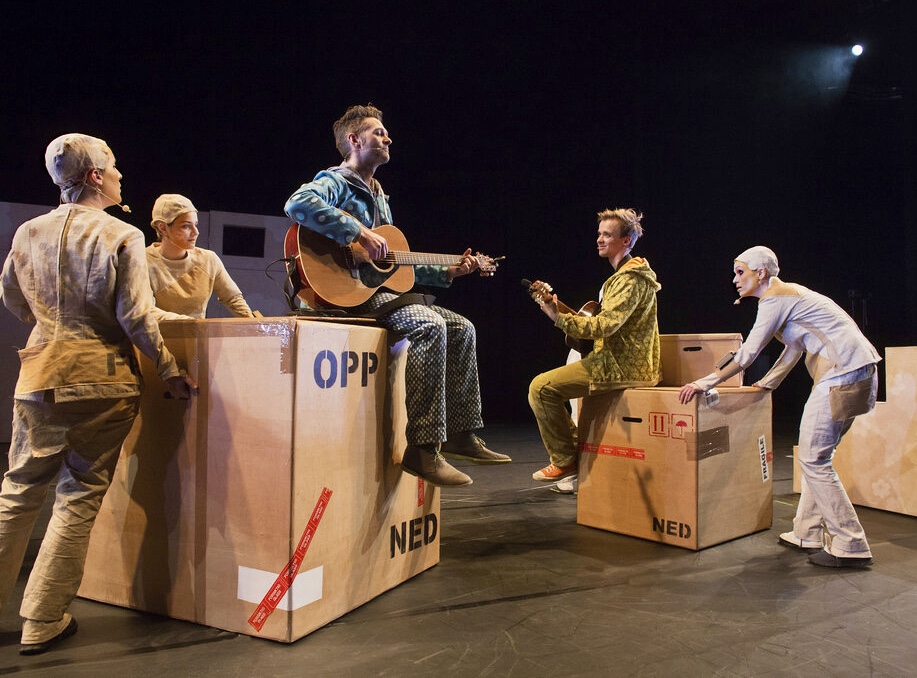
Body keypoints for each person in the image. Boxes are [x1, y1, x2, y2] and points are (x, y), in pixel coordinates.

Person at [0, 134, 198, 655]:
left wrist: (51, 325)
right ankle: (42, 620)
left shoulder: (27, 232)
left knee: (18, 494)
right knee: (78, 495)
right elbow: (136, 316)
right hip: (103, 379)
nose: (119, 176)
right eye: (112, 168)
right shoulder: (121, 234)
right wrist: (170, 369)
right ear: (94, 177)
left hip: (38, 376)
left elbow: (12, 297)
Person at [284, 104, 508, 487]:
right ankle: (422, 448)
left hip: (373, 293)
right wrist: (357, 232)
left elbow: (392, 266)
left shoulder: (380, 195)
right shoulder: (337, 180)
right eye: (378, 132)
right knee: (428, 324)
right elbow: (297, 204)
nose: (388, 138)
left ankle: (460, 433)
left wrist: (449, 271)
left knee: (462, 328)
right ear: (354, 140)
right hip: (345, 293)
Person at [678, 246, 880, 569]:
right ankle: (807, 532)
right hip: (859, 371)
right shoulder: (792, 295)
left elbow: (748, 353)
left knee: (813, 459)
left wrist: (706, 382)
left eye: (740, 272)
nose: (735, 279)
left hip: (842, 374)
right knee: (817, 458)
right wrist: (768, 383)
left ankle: (850, 543)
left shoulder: (775, 298)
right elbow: (794, 349)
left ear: (761, 273)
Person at [528, 208, 661, 482]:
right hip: (612, 359)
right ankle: (574, 457)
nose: (600, 239)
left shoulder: (629, 279)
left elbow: (605, 326)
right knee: (546, 386)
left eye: (607, 235)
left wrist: (558, 318)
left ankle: (566, 460)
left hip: (619, 365)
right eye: (599, 233)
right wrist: (556, 308)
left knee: (541, 389)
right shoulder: (623, 276)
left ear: (626, 240)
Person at [147, 193, 255, 318]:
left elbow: (233, 298)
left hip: (198, 330)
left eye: (196, 224)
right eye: (186, 226)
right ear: (163, 228)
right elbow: (146, 311)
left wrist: (255, 324)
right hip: (159, 332)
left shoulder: (208, 259)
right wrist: (192, 324)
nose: (196, 232)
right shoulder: (143, 261)